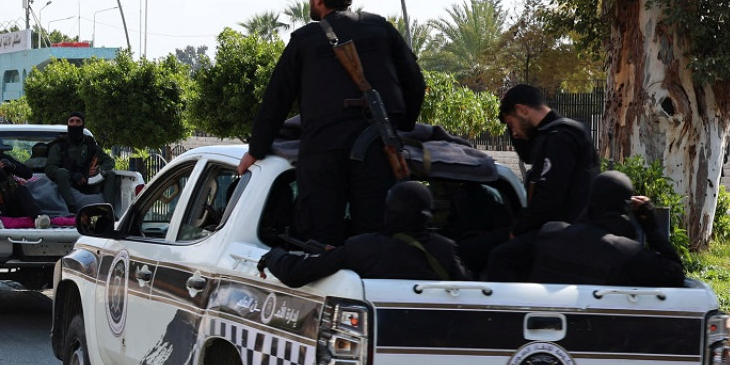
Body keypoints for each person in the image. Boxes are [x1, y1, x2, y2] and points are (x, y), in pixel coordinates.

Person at [237, 0, 426, 246]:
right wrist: (397, 129)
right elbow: (415, 82)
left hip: (324, 153)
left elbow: (277, 99)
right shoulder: (381, 30)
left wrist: (256, 150)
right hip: (377, 150)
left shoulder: (305, 40)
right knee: (374, 241)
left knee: (320, 241)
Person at [465, 83, 600, 274]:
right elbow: (527, 154)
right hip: (555, 229)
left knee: (499, 256)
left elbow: (548, 199)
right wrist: (512, 122)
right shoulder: (552, 135)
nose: (514, 134)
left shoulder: (560, 137)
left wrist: (518, 230)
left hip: (563, 233)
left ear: (522, 110)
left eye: (511, 125)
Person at [490, 171, 684, 287]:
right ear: (624, 208)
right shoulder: (627, 253)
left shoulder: (549, 235)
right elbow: (675, 275)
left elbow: (500, 256)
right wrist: (650, 225)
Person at [258, 181, 468, 288]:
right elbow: (468, 291)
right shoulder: (446, 250)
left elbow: (295, 274)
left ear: (390, 210)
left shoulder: (365, 248)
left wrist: (273, 255)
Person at [45, 112, 117, 213]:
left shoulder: (89, 144)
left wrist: (98, 170)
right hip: (68, 185)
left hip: (89, 183)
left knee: (110, 174)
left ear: (82, 125)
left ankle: (109, 212)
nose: (74, 124)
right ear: (68, 124)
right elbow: (50, 168)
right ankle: (72, 210)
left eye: (78, 121)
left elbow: (109, 161)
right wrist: (72, 174)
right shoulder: (59, 145)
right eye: (71, 121)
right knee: (61, 173)